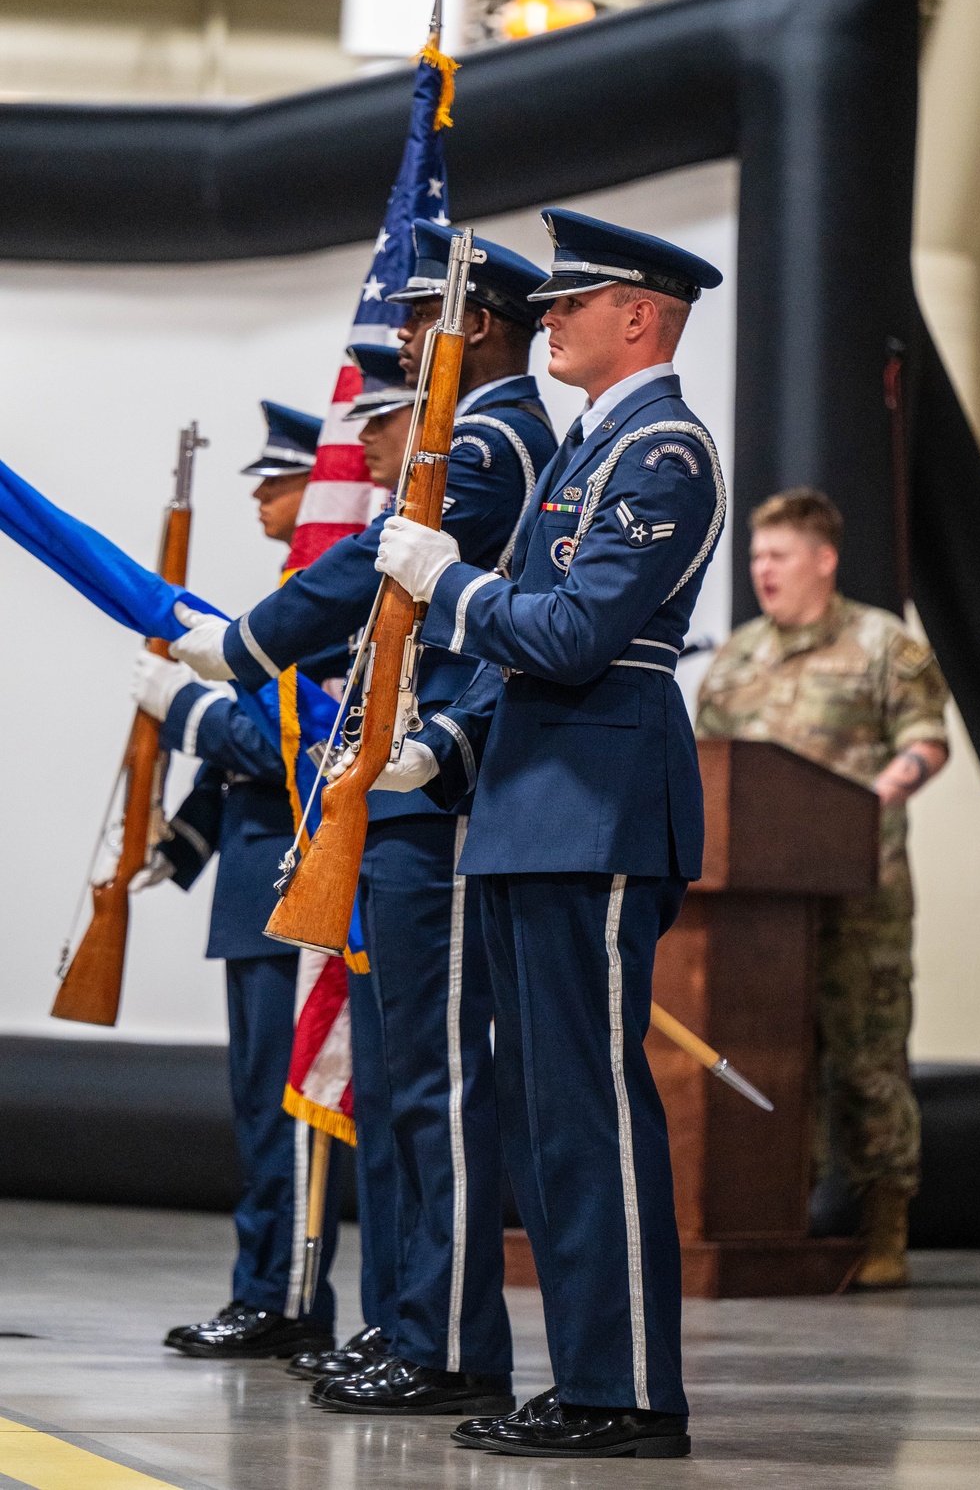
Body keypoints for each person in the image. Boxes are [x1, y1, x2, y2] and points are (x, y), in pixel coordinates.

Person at [167, 229, 559, 1418]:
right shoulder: (489, 437)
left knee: (430, 1085)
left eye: (419, 324)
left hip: (434, 789)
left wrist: (243, 645)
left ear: (474, 323)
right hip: (399, 787)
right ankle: (409, 1321)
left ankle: (444, 1342)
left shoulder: (490, 440)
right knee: (397, 1087)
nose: (400, 347)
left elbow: (376, 584)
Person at [369, 207, 726, 1459]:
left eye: (576, 301)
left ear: (642, 316)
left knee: (588, 1106)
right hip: (533, 802)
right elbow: (533, 658)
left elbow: (575, 638)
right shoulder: (589, 447)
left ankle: (626, 1392)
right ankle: (587, 1379)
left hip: (599, 805)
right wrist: (448, 749)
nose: (551, 318)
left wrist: (445, 584)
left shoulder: (664, 450)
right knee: (541, 1111)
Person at [132, 400, 352, 1359]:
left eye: (279, 479)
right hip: (253, 892)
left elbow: (282, 745)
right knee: (257, 1112)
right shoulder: (286, 599)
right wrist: (178, 845)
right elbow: (242, 773)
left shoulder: (324, 605)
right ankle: (265, 1287)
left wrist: (186, 711)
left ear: (320, 486)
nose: (262, 494)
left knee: (288, 1112)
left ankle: (288, 1299)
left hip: (293, 893)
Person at [695, 488, 949, 1289]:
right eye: (756, 556)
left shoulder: (883, 644)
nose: (763, 570)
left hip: (859, 894)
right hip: (759, 909)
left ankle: (884, 1228)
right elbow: (708, 767)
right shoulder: (735, 657)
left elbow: (926, 743)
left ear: (823, 560)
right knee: (773, 1057)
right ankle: (779, 1218)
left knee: (867, 1058)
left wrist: (858, 807)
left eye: (778, 555)